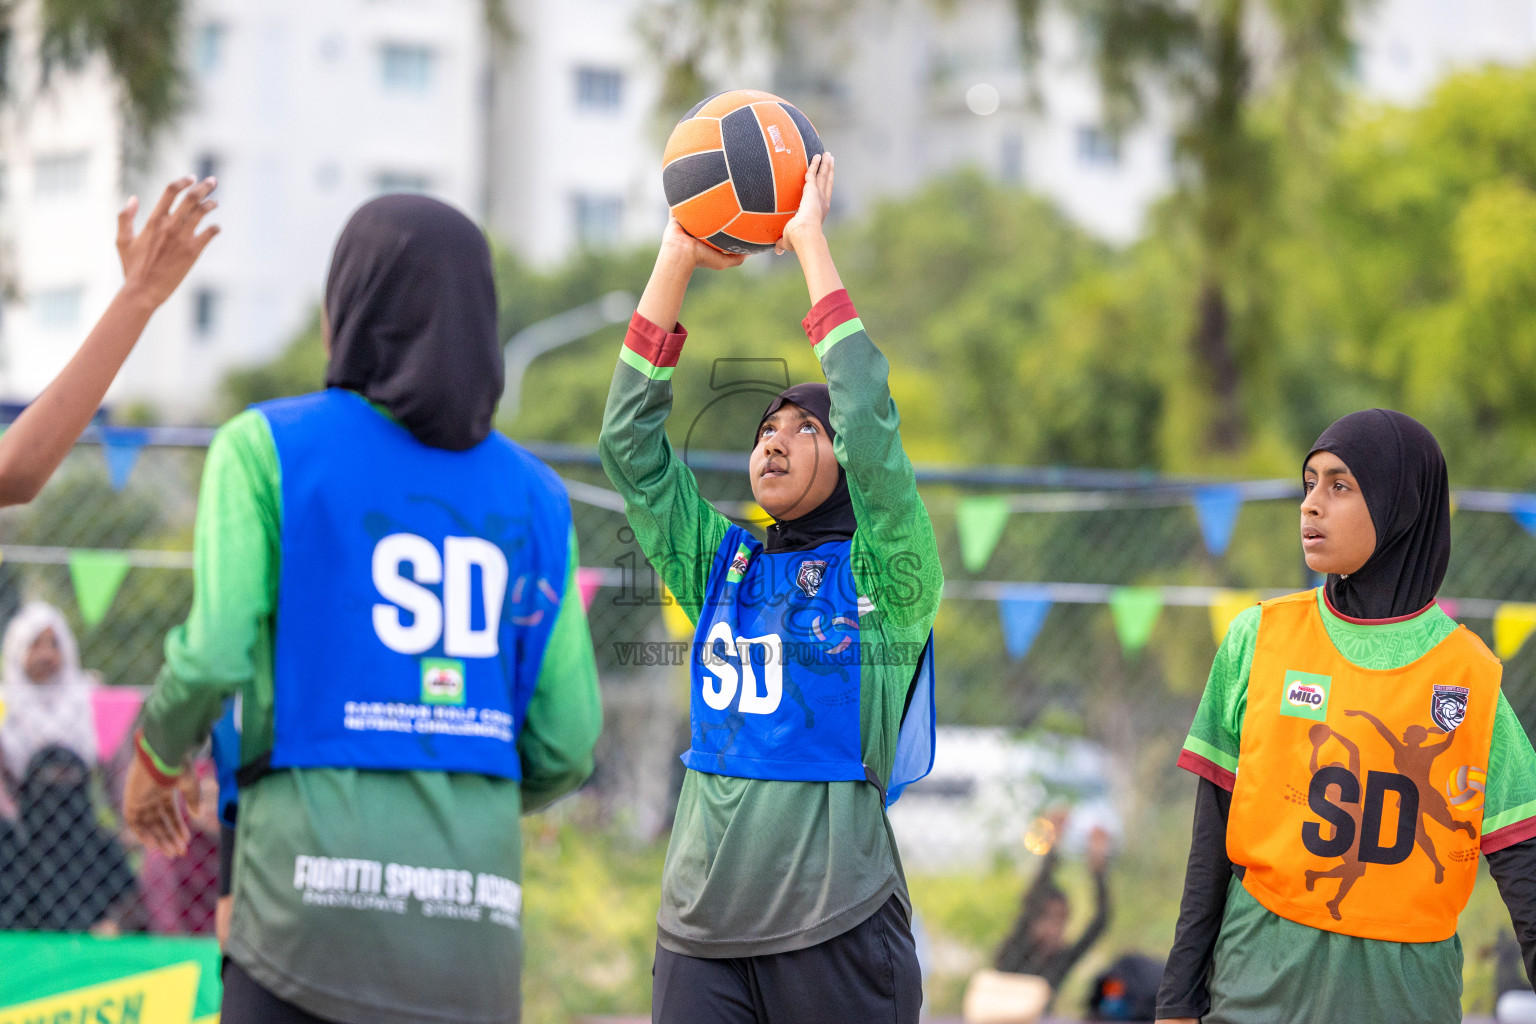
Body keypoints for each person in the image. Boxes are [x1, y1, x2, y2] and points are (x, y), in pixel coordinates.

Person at [123, 194, 603, 1024]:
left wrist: (157, 760)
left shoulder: (265, 447)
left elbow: (212, 657)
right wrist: (450, 779)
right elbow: (566, 743)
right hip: (474, 937)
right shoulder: (539, 497)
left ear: (346, 311)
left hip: (301, 921)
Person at [598, 153, 942, 1024]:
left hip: (838, 925)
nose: (776, 442)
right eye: (764, 428)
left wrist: (809, 244)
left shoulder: (889, 573)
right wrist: (675, 256)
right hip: (699, 932)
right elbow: (630, 453)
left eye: (803, 428)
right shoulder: (722, 565)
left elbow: (870, 418)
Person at [1156, 409, 1536, 1024]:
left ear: (1400, 506)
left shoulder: (1470, 676)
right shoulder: (1258, 639)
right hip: (1258, 992)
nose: (1311, 505)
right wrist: (1176, 1003)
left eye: (1340, 486)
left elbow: (1525, 863)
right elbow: (1211, 845)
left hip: (1405, 1001)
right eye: (1309, 483)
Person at [994, 817, 1112, 992]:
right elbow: (1033, 899)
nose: (1055, 929)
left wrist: (1098, 871)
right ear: (1035, 919)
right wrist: (1053, 843)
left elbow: (1100, 921)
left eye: (1062, 921)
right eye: (1049, 918)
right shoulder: (1015, 951)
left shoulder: (1060, 960)